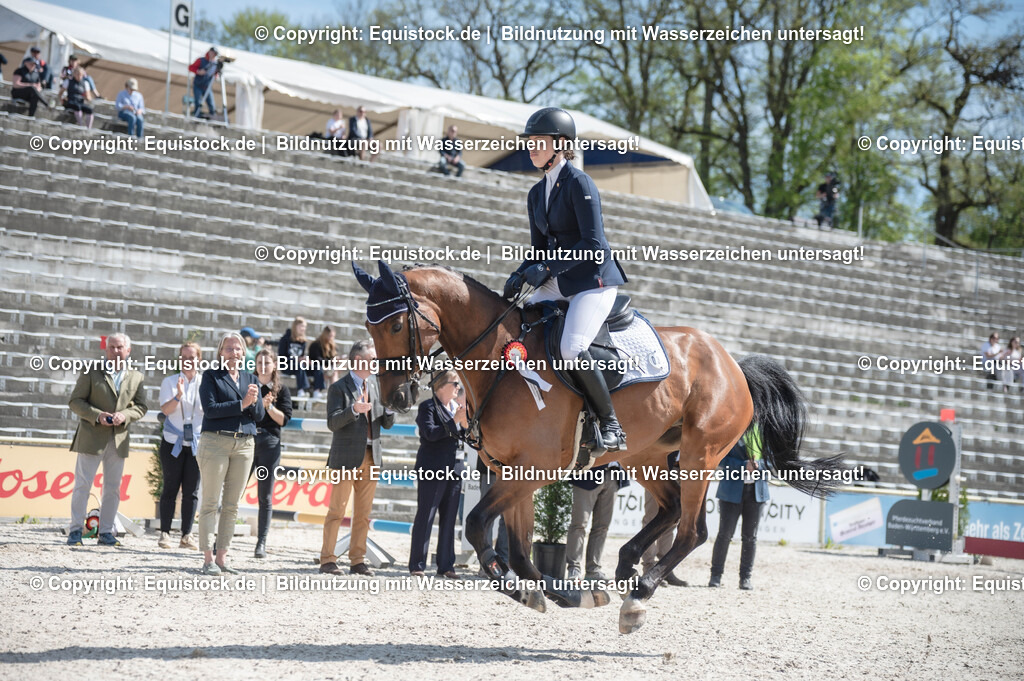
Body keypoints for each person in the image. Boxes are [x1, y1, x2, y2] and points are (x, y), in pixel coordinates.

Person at [502, 107, 629, 454]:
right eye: (529, 143)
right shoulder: (535, 193)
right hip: (560, 278)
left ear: (560, 144)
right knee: (514, 327)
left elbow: (592, 243)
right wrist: (519, 273)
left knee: (573, 348)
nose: (531, 149)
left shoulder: (579, 183)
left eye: (538, 142)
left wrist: (546, 270)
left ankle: (609, 423)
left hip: (593, 281)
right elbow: (539, 249)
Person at [320, 340, 394, 576]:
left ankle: (357, 560)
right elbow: (332, 422)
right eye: (373, 359)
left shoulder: (376, 386)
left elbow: (386, 423)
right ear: (359, 360)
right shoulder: (338, 388)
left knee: (363, 513)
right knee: (337, 511)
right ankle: (328, 560)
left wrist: (391, 407)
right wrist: (353, 410)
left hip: (373, 457)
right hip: (346, 458)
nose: (377, 362)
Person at [66, 333, 148, 546]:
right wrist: (97, 415)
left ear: (128, 351)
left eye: (120, 347)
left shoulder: (137, 377)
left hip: (118, 439)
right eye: (111, 347)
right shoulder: (90, 371)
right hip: (91, 436)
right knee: (83, 485)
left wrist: (126, 416)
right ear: (106, 349)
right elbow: (75, 401)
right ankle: (75, 530)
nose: (115, 350)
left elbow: (141, 407)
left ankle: (106, 532)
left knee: (112, 488)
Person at [196, 332, 265, 575]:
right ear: (220, 352)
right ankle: (207, 558)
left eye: (238, 349)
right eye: (229, 348)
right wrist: (243, 404)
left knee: (232, 505)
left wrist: (256, 403)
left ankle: (222, 557)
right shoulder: (211, 376)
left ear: (244, 352)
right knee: (210, 502)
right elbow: (211, 410)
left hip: (245, 445)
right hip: (215, 442)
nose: (234, 353)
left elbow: (259, 416)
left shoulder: (251, 378)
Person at [409, 372, 467, 578]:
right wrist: (454, 421)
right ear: (442, 386)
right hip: (432, 468)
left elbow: (461, 437)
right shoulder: (428, 407)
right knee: (426, 516)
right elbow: (430, 434)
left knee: (450, 519)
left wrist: (465, 426)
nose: (458, 388)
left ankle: (446, 565)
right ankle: (417, 563)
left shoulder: (457, 408)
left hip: (455, 468)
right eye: (455, 384)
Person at [157, 342, 204, 550]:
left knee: (191, 492)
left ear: (199, 359)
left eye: (192, 357)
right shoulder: (169, 381)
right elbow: (166, 410)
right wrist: (178, 395)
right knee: (170, 488)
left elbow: (209, 410)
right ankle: (165, 533)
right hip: (172, 442)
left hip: (196, 444)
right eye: (184, 357)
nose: (188, 361)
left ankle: (187, 535)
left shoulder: (206, 383)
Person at [709, 427, 768, 590]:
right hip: (731, 492)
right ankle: (716, 575)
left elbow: (773, 461)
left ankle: (745, 577)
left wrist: (759, 465)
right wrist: (743, 465)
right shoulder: (732, 430)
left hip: (756, 493)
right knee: (724, 535)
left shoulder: (763, 433)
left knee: (750, 537)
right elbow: (720, 459)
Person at [249, 347, 292, 558]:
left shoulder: (282, 390)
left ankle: (261, 542)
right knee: (233, 491)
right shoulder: (248, 385)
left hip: (269, 444)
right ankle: (221, 540)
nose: (263, 366)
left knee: (265, 496)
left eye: (267, 363)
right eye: (260, 363)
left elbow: (284, 420)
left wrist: (268, 407)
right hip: (247, 442)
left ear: (274, 365)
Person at [565, 463, 627, 581]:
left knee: (602, 527)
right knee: (579, 525)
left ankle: (593, 570)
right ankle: (574, 568)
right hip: (587, 473)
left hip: (613, 474)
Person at [640, 452, 687, 586]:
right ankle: (648, 566)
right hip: (657, 468)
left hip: (680, 470)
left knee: (672, 521)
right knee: (651, 519)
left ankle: (665, 569)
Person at [277, 317, 310, 400]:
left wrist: (306, 361)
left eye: (305, 327)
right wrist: (297, 360)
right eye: (301, 326)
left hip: (297, 365)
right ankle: (301, 390)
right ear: (295, 326)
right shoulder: (285, 339)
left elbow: (301, 356)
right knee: (299, 366)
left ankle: (317, 391)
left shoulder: (303, 342)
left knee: (315, 367)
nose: (303, 329)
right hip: (286, 365)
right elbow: (281, 358)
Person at [307, 325, 338, 400]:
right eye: (330, 336)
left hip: (326, 367)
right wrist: (330, 362)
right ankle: (318, 391)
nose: (331, 338)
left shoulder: (332, 346)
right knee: (322, 370)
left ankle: (334, 394)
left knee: (334, 372)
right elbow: (316, 359)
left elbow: (332, 359)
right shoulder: (316, 344)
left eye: (333, 336)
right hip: (314, 367)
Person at [189, 47, 220, 118]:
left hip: (207, 87)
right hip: (198, 85)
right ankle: (197, 116)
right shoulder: (201, 60)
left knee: (211, 104)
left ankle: (213, 117)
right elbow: (190, 67)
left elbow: (215, 75)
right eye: (212, 52)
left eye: (214, 54)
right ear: (209, 52)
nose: (213, 54)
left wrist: (215, 75)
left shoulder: (215, 64)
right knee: (198, 102)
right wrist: (198, 71)